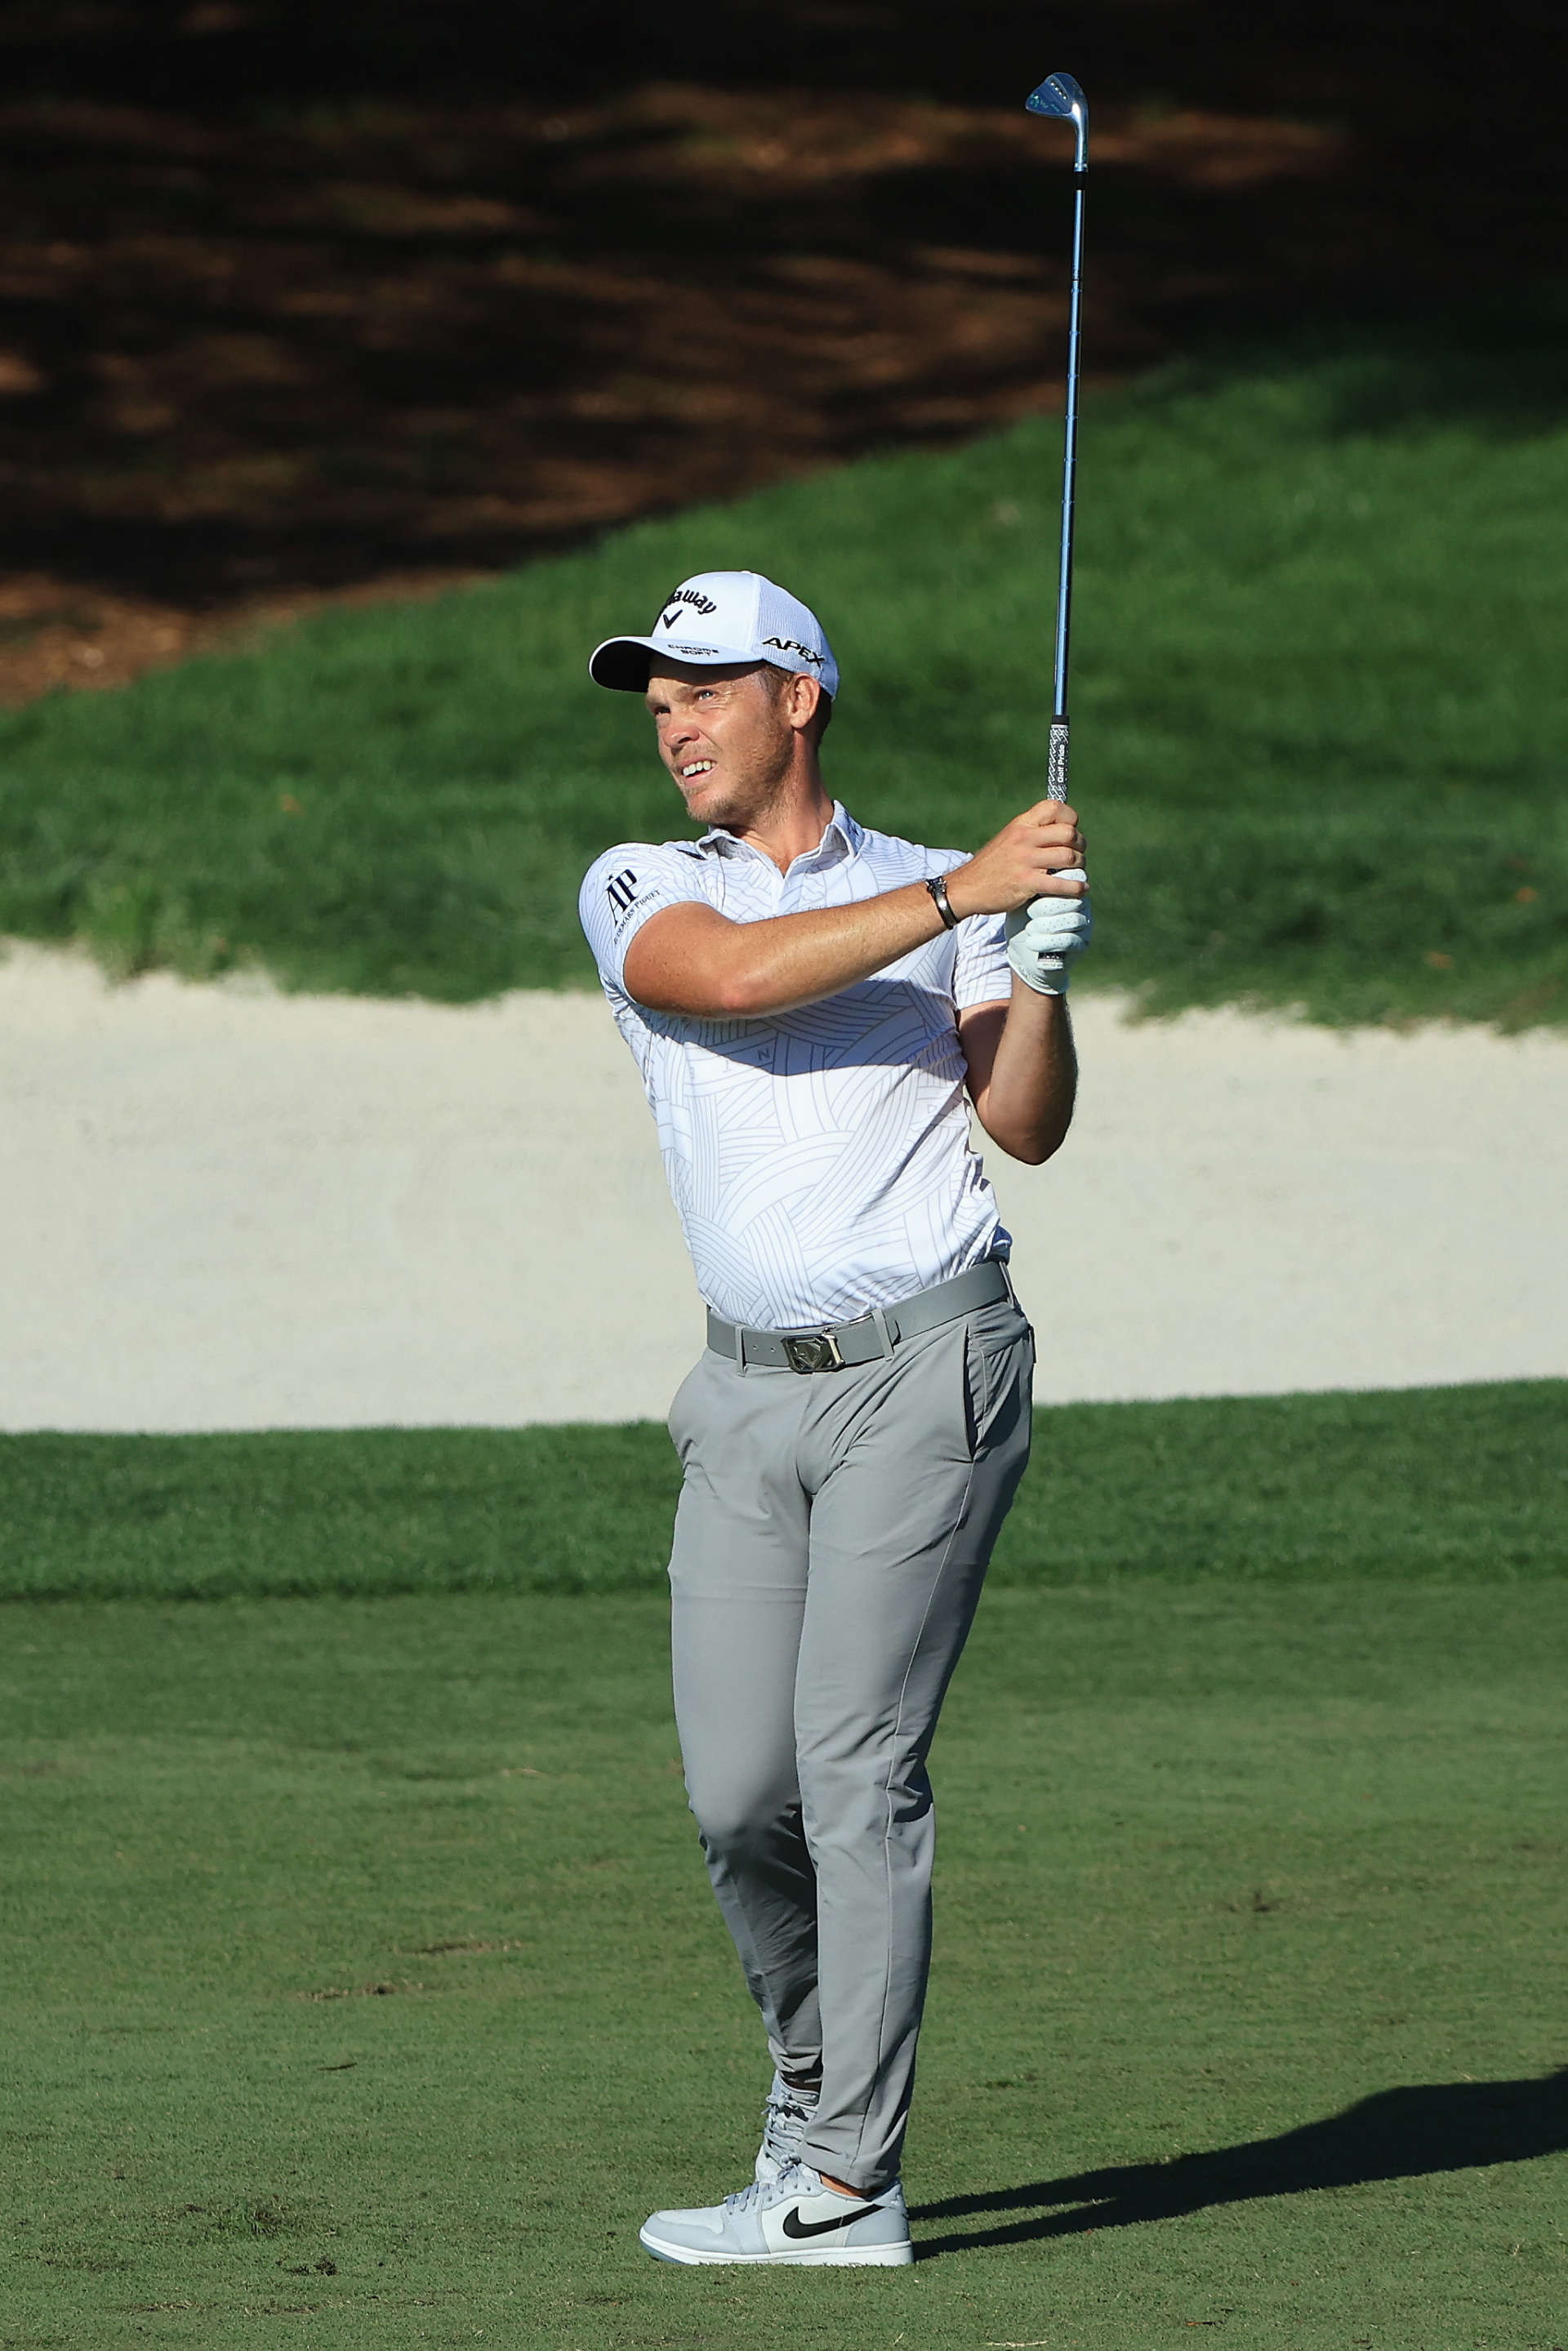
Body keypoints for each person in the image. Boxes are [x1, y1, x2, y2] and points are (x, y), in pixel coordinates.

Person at [577, 570, 1090, 2268]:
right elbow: (725, 983)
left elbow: (1023, 1126)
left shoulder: (929, 889)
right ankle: (808, 2116)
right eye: (657, 703)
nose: (675, 726)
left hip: (925, 1373)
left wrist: (1042, 978)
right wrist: (968, 896)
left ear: (799, 695)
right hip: (742, 1397)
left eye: (704, 691)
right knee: (740, 1794)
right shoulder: (641, 886)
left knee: (854, 1767)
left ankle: (851, 2184)